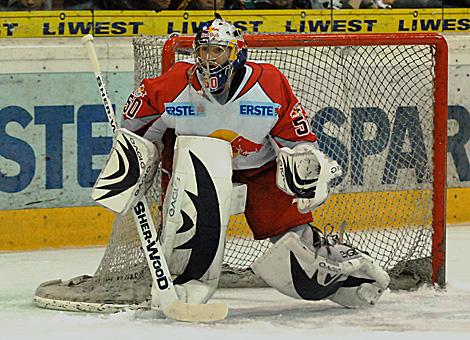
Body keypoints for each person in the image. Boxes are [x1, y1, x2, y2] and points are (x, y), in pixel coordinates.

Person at [122, 15, 390, 308]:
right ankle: (181, 285)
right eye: (203, 50)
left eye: (218, 51)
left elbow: (298, 138)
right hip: (198, 171)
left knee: (300, 255)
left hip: (259, 171)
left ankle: (347, 281)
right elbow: (136, 126)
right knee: (188, 238)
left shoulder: (269, 82)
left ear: (237, 53)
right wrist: (133, 155)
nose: (209, 59)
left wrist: (306, 166)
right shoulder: (174, 83)